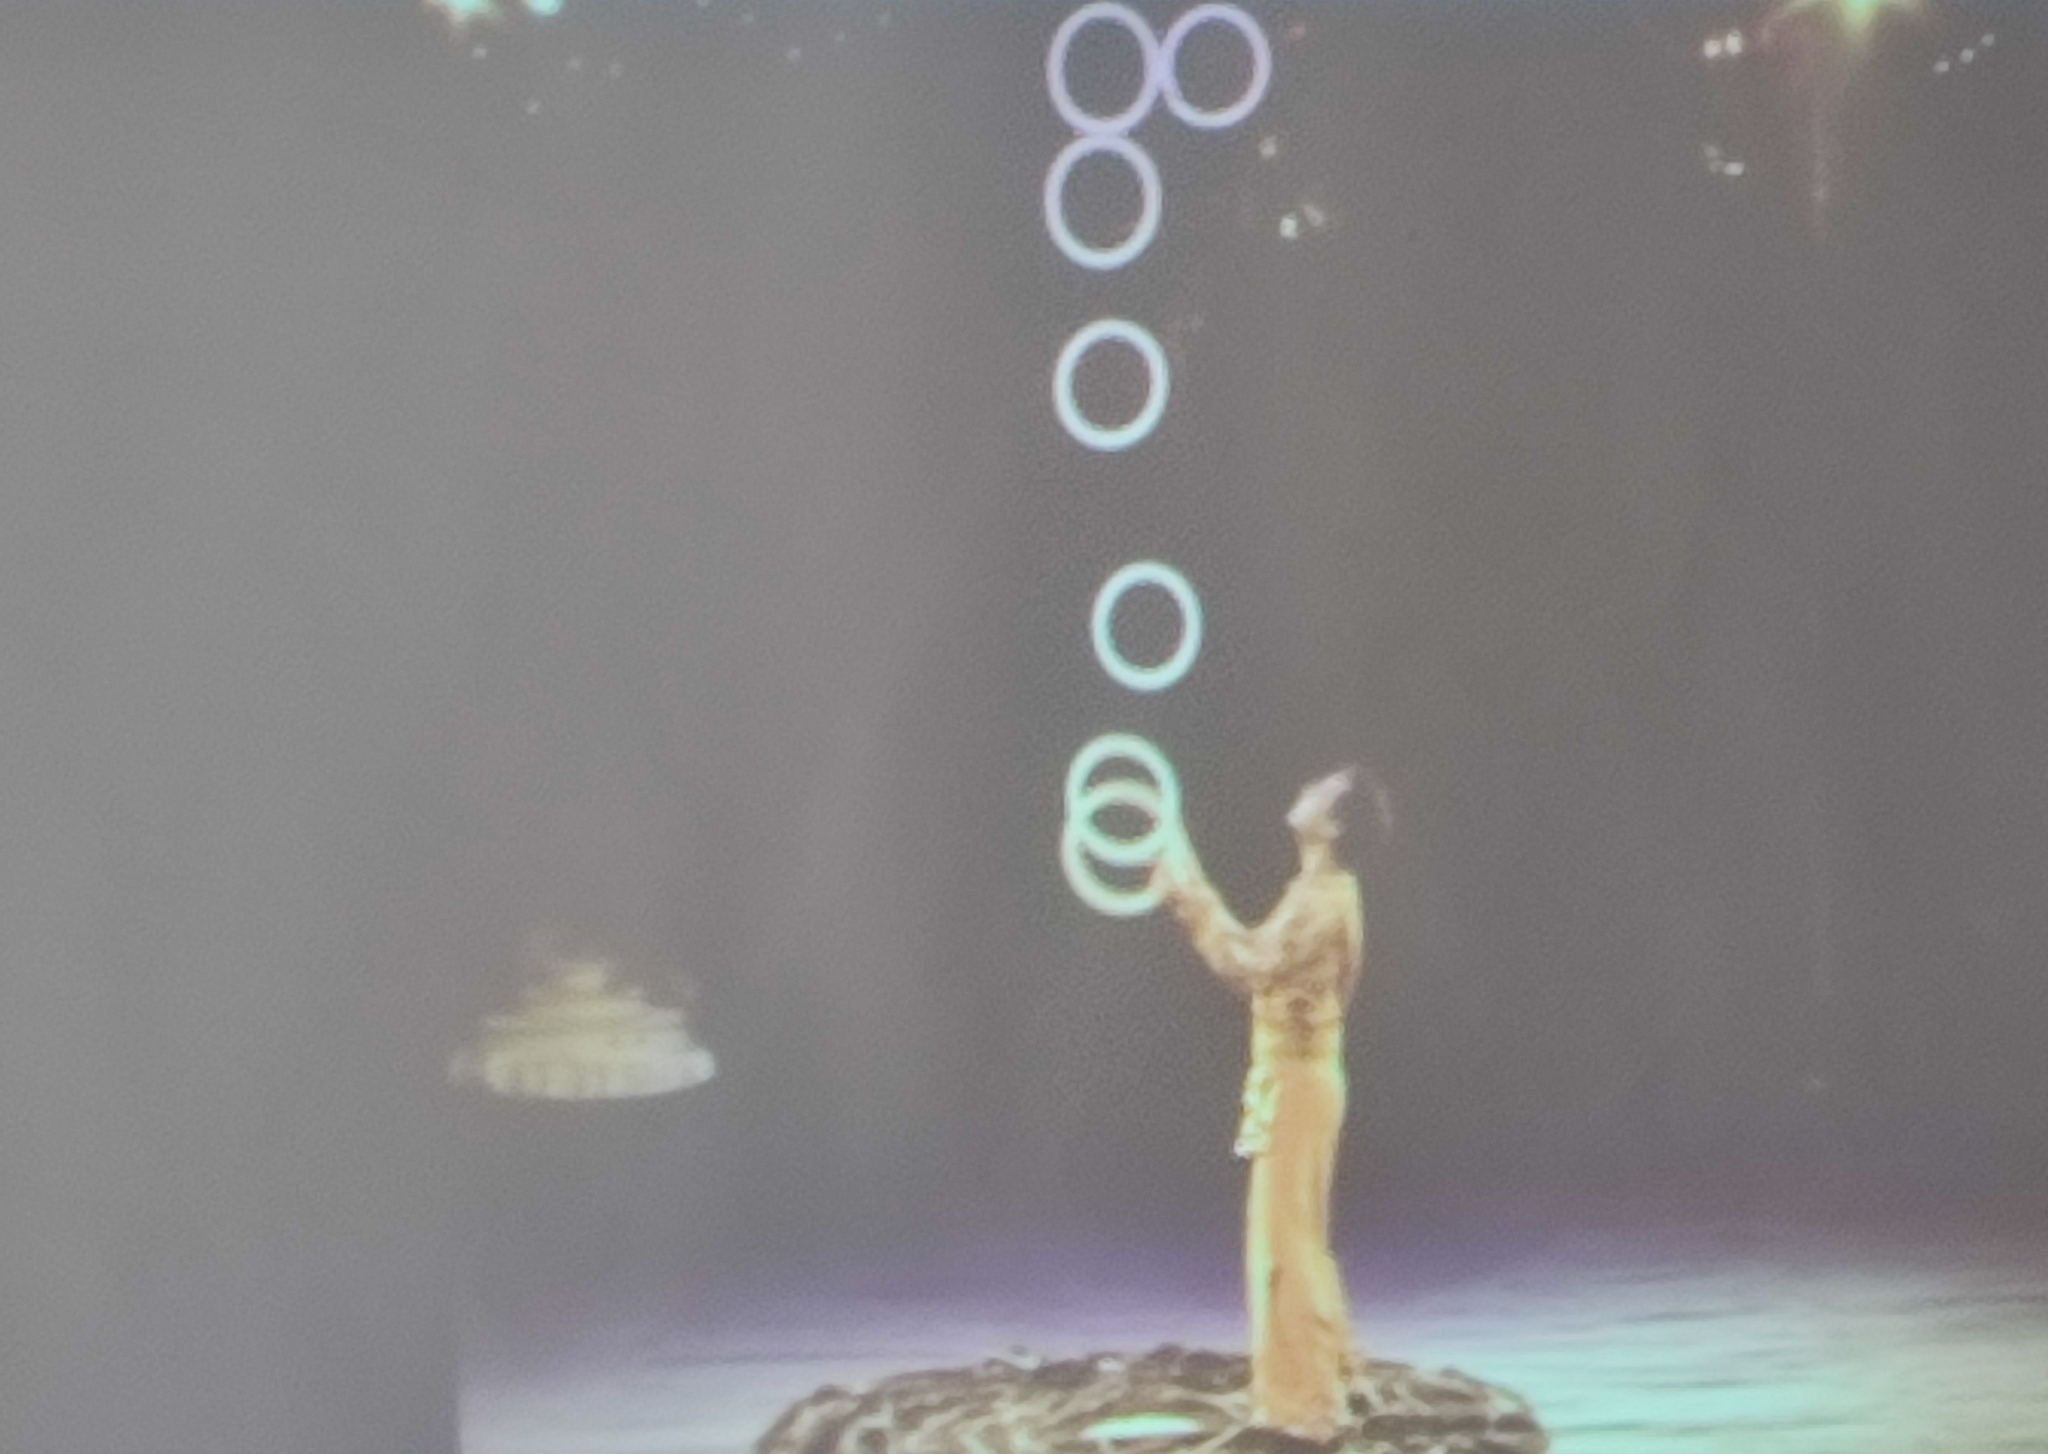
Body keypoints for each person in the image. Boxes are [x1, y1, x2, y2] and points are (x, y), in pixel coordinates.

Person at [1152, 768, 1367, 1442]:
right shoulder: (1323, 891)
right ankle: (1331, 1381)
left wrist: (1189, 892)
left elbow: (1248, 964)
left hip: (1298, 1084)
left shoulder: (1322, 901)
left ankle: (1305, 1407)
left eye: (1321, 791)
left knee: (1285, 1248)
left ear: (1334, 824)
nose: (1304, 791)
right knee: (1298, 1237)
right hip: (1300, 1077)